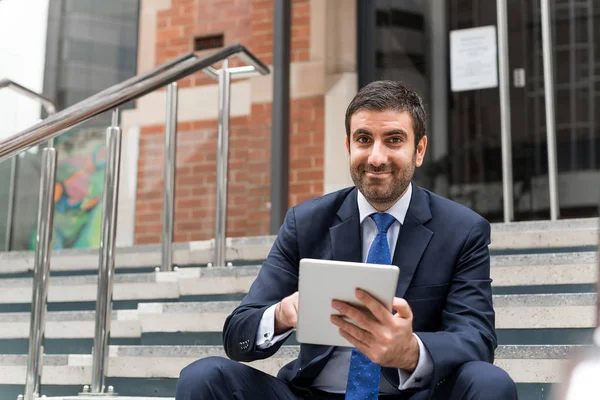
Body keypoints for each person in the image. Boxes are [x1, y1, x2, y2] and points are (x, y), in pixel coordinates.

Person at [175, 80, 518, 400]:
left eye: (394, 140)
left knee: (491, 383)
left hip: (410, 394)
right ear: (348, 145)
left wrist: (408, 350)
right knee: (203, 377)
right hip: (313, 394)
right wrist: (282, 313)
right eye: (364, 139)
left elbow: (476, 339)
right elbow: (239, 334)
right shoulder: (305, 222)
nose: (376, 157)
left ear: (419, 150)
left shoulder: (462, 230)